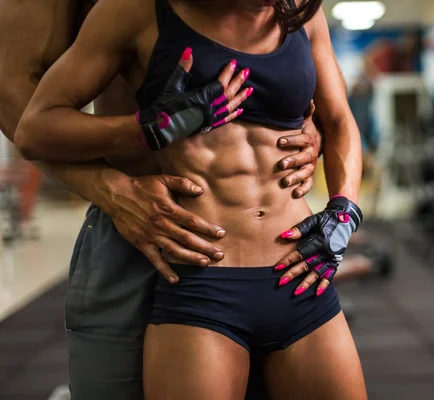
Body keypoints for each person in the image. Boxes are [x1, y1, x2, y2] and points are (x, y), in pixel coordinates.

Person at [15, 0, 367, 398]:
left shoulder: (301, 13)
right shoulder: (135, 11)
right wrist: (150, 128)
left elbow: (339, 122)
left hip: (303, 280)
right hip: (203, 284)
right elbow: (35, 129)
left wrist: (344, 213)